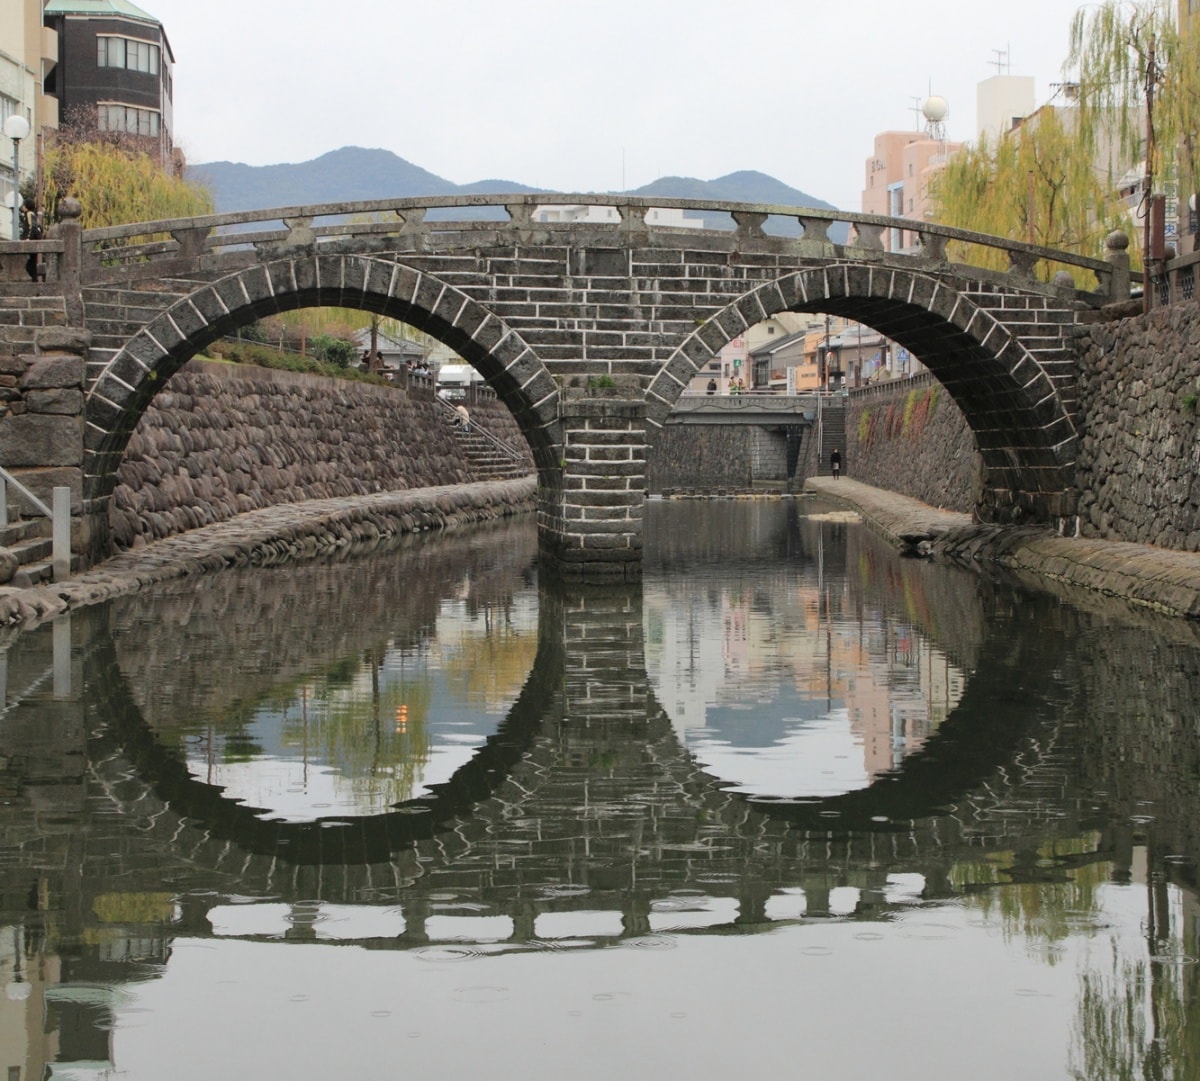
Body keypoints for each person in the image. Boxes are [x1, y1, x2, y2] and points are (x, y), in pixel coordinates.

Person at [19, 198, 42, 282]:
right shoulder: (34, 214)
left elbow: (32, 226)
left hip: (31, 241)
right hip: (34, 241)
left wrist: (28, 238)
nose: (23, 207)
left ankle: (34, 281)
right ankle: (34, 280)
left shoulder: (29, 214)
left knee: (30, 264)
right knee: (32, 263)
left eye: (24, 205)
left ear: (26, 206)